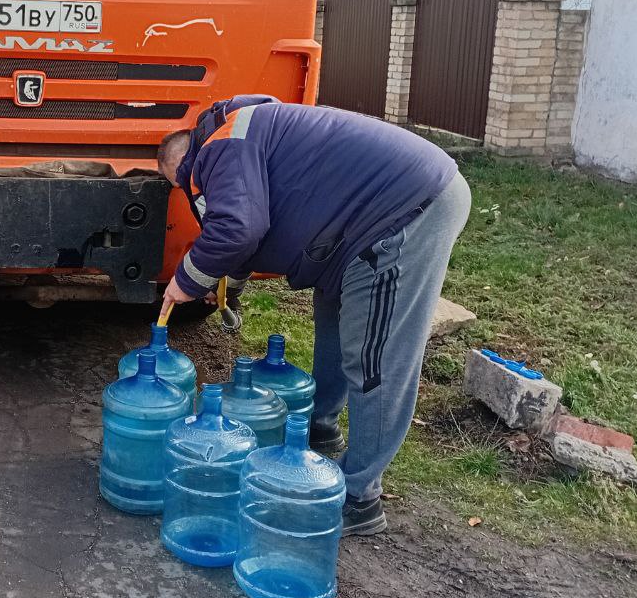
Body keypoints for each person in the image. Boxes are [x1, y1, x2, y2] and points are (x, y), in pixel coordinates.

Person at [157, 95, 471, 536]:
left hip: (405, 210)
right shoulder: (236, 135)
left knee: (375, 358)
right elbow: (246, 229)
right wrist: (229, 290)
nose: (191, 194)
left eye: (181, 184)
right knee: (335, 323)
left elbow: (236, 228)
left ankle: (359, 497)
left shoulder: (219, 147)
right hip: (356, 227)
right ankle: (320, 429)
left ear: (181, 162)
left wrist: (186, 282)